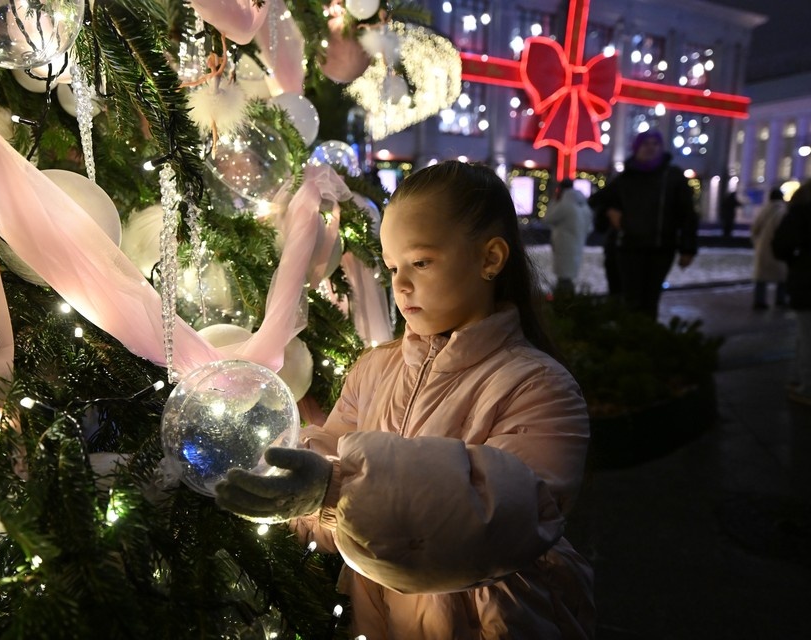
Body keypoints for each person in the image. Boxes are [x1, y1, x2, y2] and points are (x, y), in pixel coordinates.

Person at [216, 161, 594, 639]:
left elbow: (502, 515)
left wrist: (335, 489)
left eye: (421, 261)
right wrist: (289, 480)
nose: (400, 283)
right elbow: (331, 454)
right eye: (393, 266)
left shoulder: (539, 387)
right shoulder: (373, 369)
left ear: (490, 259)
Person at [602, 129, 698, 318]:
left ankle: (645, 340)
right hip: (629, 248)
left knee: (650, 299)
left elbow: (687, 214)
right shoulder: (627, 176)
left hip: (661, 248)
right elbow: (600, 201)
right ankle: (629, 342)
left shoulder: (673, 176)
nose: (651, 148)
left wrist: (688, 248)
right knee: (631, 300)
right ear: (637, 148)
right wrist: (610, 214)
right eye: (646, 143)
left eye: (656, 143)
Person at [772, 179, 811, 405]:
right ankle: (799, 379)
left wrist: (797, 260)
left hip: (806, 278)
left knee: (806, 335)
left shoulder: (800, 212)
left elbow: (781, 245)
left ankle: (806, 386)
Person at [543, 178, 593, 296]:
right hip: (577, 245)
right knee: (568, 277)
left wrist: (554, 201)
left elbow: (547, 218)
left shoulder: (565, 204)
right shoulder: (583, 204)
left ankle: (563, 303)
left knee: (563, 278)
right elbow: (589, 227)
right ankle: (568, 300)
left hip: (564, 246)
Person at [750, 187, 788, 310]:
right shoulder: (784, 211)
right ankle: (780, 299)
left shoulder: (763, 210)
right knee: (782, 275)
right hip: (778, 247)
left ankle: (759, 301)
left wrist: (757, 243)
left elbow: (755, 229)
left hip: (763, 248)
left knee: (761, 277)